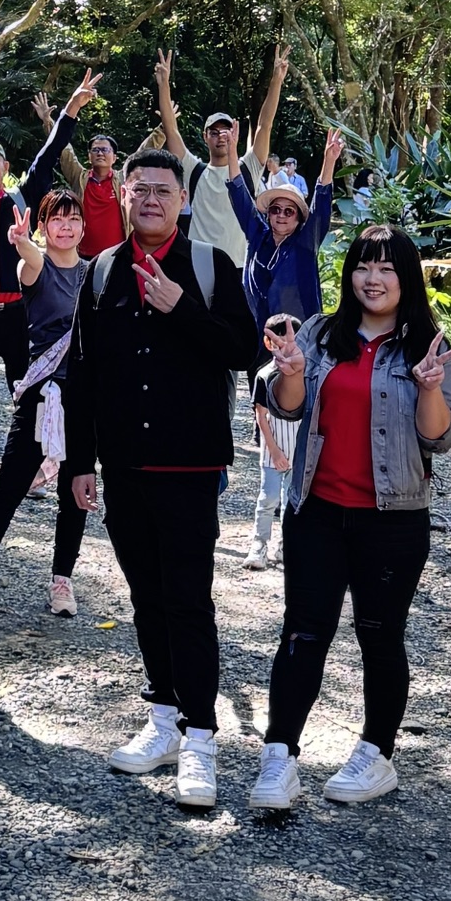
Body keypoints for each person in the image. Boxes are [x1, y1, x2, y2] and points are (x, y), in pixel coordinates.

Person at [66, 148, 257, 808]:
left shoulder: (210, 266)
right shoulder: (100, 273)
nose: (150, 199)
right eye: (140, 189)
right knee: (146, 596)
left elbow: (245, 349)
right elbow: (83, 375)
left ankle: (201, 737)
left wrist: (183, 308)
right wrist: (80, 463)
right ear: (123, 195)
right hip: (124, 466)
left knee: (188, 599)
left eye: (162, 190)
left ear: (182, 200)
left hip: (190, 465)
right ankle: (164, 718)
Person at [249, 225, 451, 810]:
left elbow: (441, 438)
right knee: (303, 632)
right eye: (363, 267)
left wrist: (430, 388)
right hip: (316, 510)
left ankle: (376, 754)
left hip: (393, 519)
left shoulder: (427, 346)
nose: (373, 279)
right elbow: (287, 407)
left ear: (406, 278)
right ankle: (279, 756)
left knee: (380, 635)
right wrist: (292, 372)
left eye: (387, 268)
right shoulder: (321, 333)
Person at [0, 71, 99, 492]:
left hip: (18, 315)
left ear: (5, 168)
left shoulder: (20, 199)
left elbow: (49, 154)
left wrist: (71, 109)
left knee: (32, 393)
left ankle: (36, 471)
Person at [0, 189, 93, 619]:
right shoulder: (34, 266)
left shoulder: (94, 273)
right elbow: (31, 260)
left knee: (76, 489)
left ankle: (62, 579)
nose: (66, 227)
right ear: (44, 226)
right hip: (41, 393)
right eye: (57, 219)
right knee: (8, 487)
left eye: (73, 219)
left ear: (83, 226)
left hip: (83, 396)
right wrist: (21, 241)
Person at [152, 47, 284, 266]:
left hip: (239, 265)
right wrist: (164, 84)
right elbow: (171, 128)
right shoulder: (194, 170)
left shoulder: (247, 168)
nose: (221, 137)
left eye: (226, 132)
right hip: (199, 264)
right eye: (214, 132)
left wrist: (276, 80)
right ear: (205, 137)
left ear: (234, 134)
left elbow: (265, 125)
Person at [229, 133, 344, 328]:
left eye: (289, 211)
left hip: (298, 335)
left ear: (299, 218)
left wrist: (329, 160)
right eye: (275, 209)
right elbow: (239, 195)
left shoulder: (305, 242)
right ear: (268, 214)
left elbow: (320, 205)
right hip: (257, 332)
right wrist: (231, 152)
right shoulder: (258, 236)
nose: (281, 215)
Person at [245, 323, 301, 573]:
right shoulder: (265, 374)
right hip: (272, 453)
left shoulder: (304, 373)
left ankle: (286, 546)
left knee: (292, 501)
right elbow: (261, 416)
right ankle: (259, 545)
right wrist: (275, 451)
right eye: (279, 340)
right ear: (269, 343)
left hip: (298, 453)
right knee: (268, 498)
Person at [57, 127, 127, 258]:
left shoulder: (122, 180)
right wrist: (48, 122)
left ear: (114, 158)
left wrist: (163, 128)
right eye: (95, 150)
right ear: (89, 157)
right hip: (82, 255)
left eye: (105, 150)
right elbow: (65, 151)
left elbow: (142, 153)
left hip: (117, 255)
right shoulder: (80, 178)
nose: (100, 153)